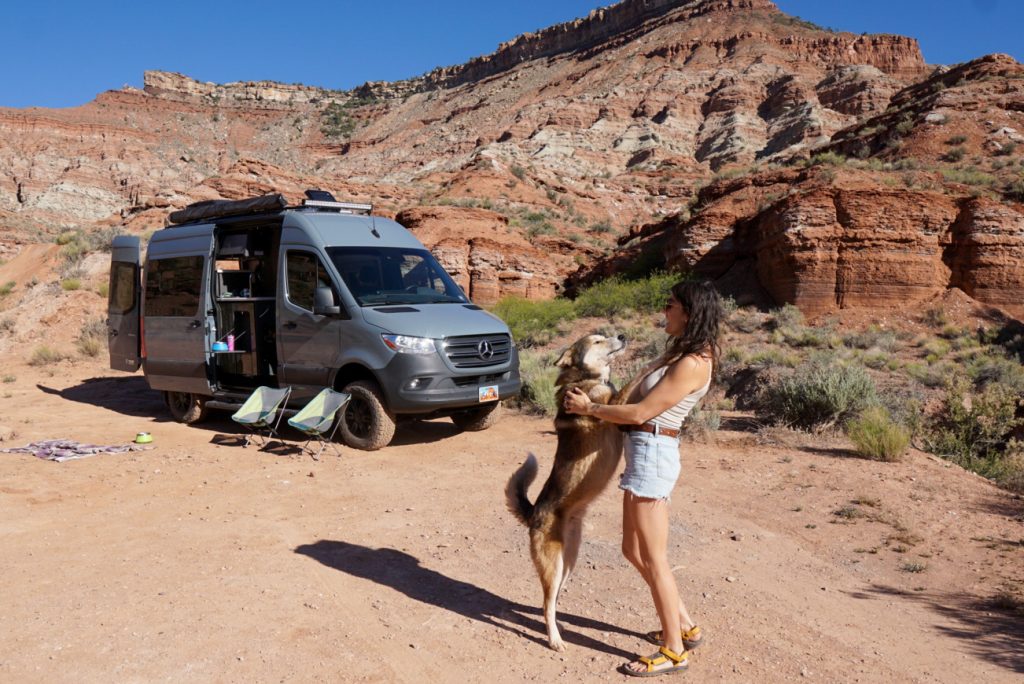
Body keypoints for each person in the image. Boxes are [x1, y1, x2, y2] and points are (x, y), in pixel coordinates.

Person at [563, 279, 721, 677]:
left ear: (688, 311)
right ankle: (684, 627)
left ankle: (673, 650)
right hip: (644, 454)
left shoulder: (692, 363)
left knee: (655, 557)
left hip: (652, 454)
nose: (664, 311)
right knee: (632, 551)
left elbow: (638, 414)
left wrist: (589, 409)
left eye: (670, 305)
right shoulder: (679, 353)